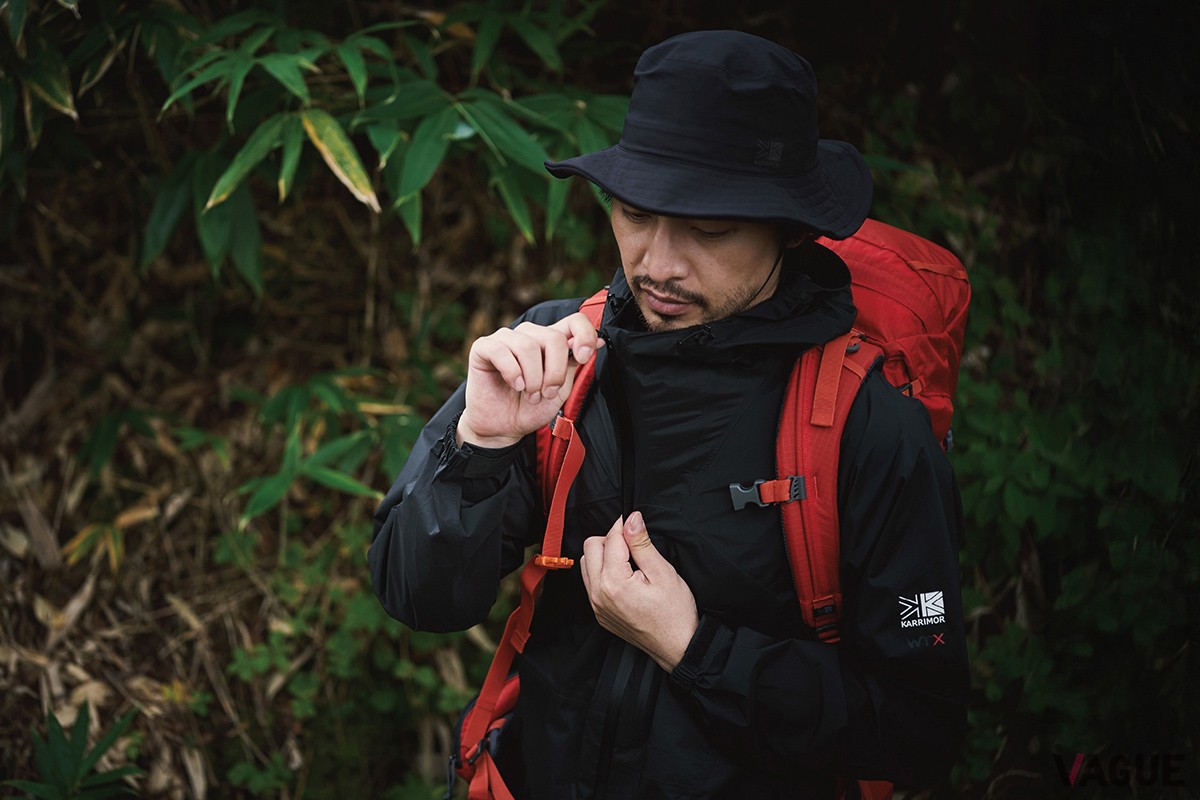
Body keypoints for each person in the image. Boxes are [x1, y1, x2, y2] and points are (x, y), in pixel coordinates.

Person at [370, 30, 969, 799]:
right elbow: (415, 597)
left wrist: (694, 648)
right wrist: (477, 443)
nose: (656, 263)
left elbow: (917, 730)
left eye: (709, 230)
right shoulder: (563, 361)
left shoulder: (865, 428)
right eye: (634, 213)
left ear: (789, 227)